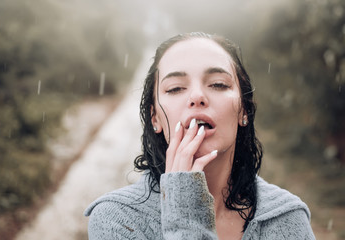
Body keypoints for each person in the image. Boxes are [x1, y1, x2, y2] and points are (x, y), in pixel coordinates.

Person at [84, 32, 315, 239]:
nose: (197, 96)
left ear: (243, 110)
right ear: (155, 118)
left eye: (218, 84)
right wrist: (184, 202)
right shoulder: (117, 218)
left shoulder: (287, 218)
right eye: (175, 88)